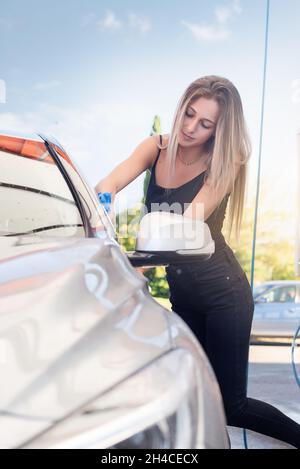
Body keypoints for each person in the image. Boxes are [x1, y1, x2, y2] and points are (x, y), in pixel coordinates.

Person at [95, 75, 300, 448]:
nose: (190, 128)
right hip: (184, 295)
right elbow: (104, 187)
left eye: (205, 123)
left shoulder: (226, 159)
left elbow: (184, 228)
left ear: (219, 130)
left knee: (230, 404)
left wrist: (136, 260)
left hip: (224, 293)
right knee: (192, 395)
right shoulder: (154, 148)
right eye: (188, 114)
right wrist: (103, 213)